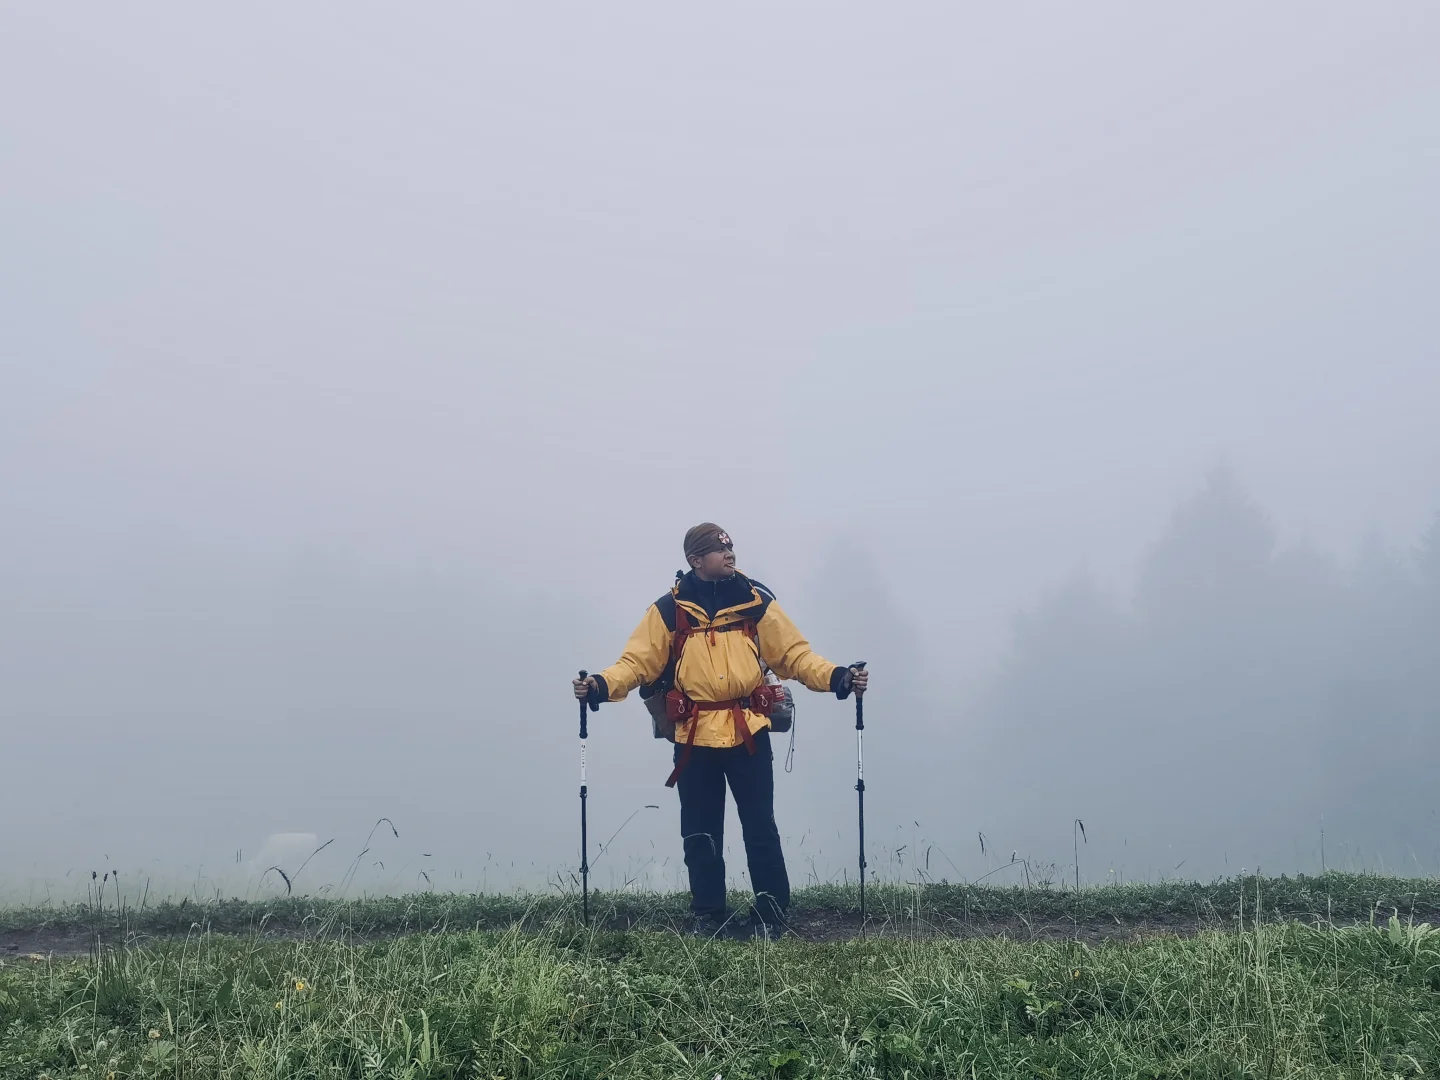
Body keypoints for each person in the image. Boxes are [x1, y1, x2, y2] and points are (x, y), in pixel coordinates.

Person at [573, 522, 868, 938]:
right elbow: (636, 663)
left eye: (730, 548)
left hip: (748, 730)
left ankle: (771, 918)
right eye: (719, 550)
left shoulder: (756, 602)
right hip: (693, 738)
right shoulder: (668, 611)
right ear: (696, 560)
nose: (730, 555)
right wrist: (601, 685)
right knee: (700, 830)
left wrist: (838, 676)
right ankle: (708, 916)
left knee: (759, 827)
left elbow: (795, 656)